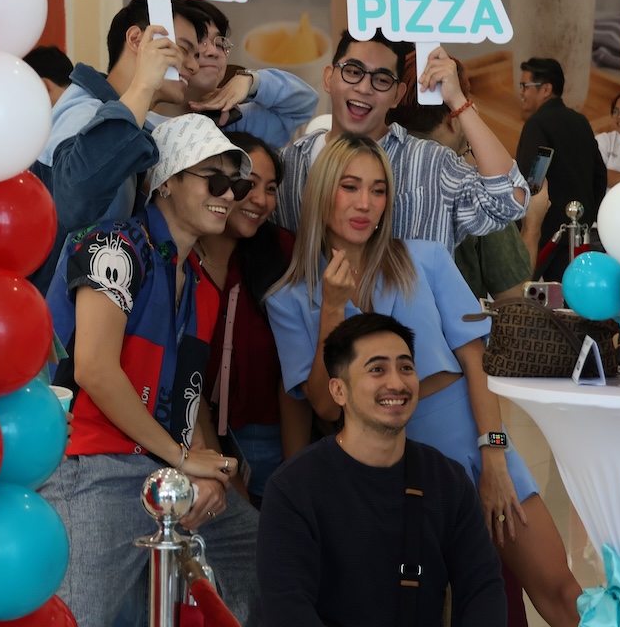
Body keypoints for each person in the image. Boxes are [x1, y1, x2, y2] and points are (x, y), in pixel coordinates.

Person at [266, 135, 582, 627]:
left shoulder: (426, 257)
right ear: (323, 191)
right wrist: (331, 304)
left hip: (470, 442)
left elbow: (476, 361)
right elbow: (326, 409)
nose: (365, 204)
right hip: (385, 469)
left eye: (377, 190)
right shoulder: (289, 299)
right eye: (350, 187)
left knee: (559, 588)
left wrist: (494, 454)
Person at [40, 113, 261, 626]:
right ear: (167, 182)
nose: (231, 195)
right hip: (87, 464)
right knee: (75, 619)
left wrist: (204, 464)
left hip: (157, 470)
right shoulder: (112, 246)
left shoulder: (202, 282)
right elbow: (95, 370)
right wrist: (185, 458)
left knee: (260, 552)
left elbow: (188, 397)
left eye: (238, 183)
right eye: (216, 179)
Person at [257, 313, 506, 626]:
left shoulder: (448, 481)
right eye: (377, 369)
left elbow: (483, 588)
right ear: (338, 391)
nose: (396, 383)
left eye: (406, 367)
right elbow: (286, 608)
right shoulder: (293, 489)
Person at [274, 30, 528, 253]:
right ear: (329, 78)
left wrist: (458, 101)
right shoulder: (290, 165)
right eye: (353, 72)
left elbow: (508, 199)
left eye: (382, 80)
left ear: (398, 95)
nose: (364, 87)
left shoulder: (431, 164)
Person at [28, 0, 208, 294]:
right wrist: (144, 84)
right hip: (57, 330)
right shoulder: (81, 114)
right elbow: (76, 204)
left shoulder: (143, 128)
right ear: (137, 39)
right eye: (183, 50)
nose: (191, 65)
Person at [194, 132, 308, 503]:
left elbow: (295, 375)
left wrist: (295, 476)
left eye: (271, 188)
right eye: (250, 184)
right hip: (194, 440)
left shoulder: (283, 251)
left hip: (271, 437)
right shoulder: (181, 257)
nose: (261, 200)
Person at [387, 53, 551, 299]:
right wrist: (532, 224)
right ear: (452, 118)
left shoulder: (370, 168)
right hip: (452, 335)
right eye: (466, 99)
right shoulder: (478, 191)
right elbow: (514, 298)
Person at [152, 0, 317, 147]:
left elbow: (304, 103)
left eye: (219, 43)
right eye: (200, 41)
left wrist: (252, 82)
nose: (214, 52)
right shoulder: (136, 120)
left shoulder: (232, 122)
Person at [515, 57, 607, 281]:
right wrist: (585, 214)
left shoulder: (537, 123)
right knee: (572, 298)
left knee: (540, 301)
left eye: (525, 86)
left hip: (546, 235)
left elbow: (531, 180)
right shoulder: (580, 120)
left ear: (545, 88)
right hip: (579, 232)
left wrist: (526, 226)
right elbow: (600, 175)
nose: (521, 93)